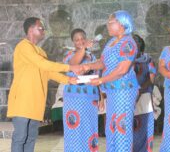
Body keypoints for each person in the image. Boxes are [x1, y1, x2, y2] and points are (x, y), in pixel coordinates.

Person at [6, 17, 80, 152]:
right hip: (23, 100)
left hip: (36, 102)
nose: (44, 31)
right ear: (30, 30)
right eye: (41, 28)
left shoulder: (41, 52)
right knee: (20, 137)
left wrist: (68, 80)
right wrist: (68, 67)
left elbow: (48, 72)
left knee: (31, 137)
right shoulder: (23, 46)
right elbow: (42, 64)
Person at [85, 10, 139, 152]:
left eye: (111, 23)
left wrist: (101, 80)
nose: (107, 25)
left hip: (124, 91)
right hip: (113, 92)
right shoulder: (111, 42)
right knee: (111, 129)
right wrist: (87, 66)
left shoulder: (128, 43)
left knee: (122, 129)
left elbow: (122, 70)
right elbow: (103, 63)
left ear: (121, 24)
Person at [62, 28, 101, 152]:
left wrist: (101, 97)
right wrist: (83, 48)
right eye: (77, 40)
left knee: (90, 128)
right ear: (73, 42)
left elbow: (97, 76)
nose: (80, 42)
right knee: (75, 129)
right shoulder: (69, 55)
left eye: (82, 39)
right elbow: (73, 64)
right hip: (74, 99)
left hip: (91, 99)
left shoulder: (92, 56)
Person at [132, 34, 156, 152]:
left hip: (144, 96)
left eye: (136, 41)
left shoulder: (148, 59)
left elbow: (151, 79)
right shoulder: (124, 59)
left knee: (144, 128)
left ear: (141, 43)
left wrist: (139, 90)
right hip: (127, 97)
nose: (134, 43)